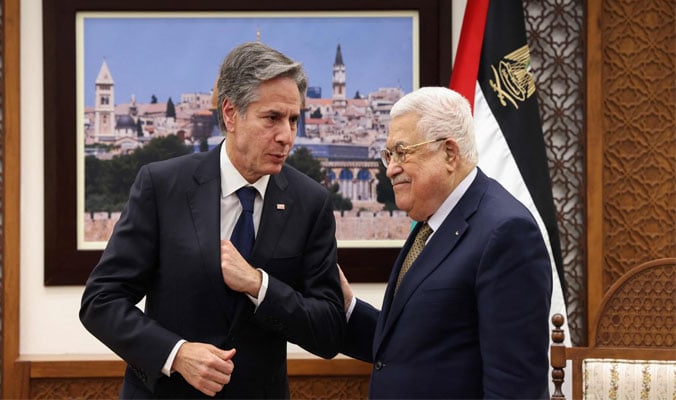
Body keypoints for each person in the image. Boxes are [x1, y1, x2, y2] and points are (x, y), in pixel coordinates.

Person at [80, 41, 345, 399]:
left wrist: (258, 285)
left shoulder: (310, 202)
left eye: (293, 119)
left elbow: (328, 331)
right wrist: (177, 354)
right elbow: (101, 301)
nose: (286, 135)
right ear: (231, 114)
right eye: (272, 118)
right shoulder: (162, 186)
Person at [339, 87, 552, 399]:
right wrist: (348, 307)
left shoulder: (507, 233)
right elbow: (413, 348)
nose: (390, 168)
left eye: (402, 152)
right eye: (388, 155)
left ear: (450, 153)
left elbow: (515, 388)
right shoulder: (432, 221)